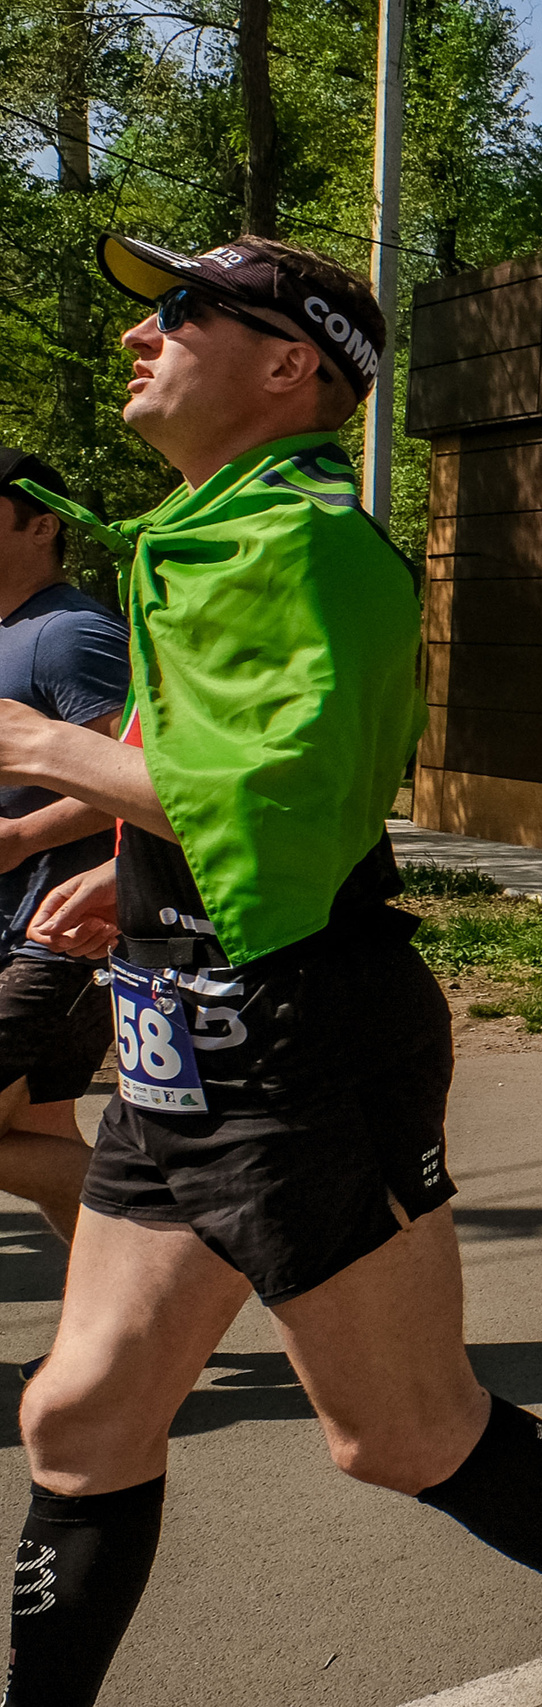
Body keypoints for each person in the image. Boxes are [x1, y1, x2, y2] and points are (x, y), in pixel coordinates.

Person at [0, 233, 542, 1705]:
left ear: (289, 364)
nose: (145, 338)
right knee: (78, 1415)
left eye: (183, 312)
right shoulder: (207, 528)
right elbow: (190, 752)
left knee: (393, 1431)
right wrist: (109, 848)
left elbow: (290, 796)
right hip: (166, 1023)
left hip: (301, 1035)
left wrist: (29, 747)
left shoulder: (316, 545)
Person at [0, 447, 126, 1250]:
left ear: (41, 523)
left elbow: (142, 774)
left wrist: (20, 838)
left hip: (54, 940)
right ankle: (126, 1346)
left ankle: (167, 1226)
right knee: (42, 1134)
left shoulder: (70, 632)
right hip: (12, 934)